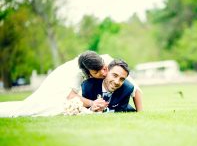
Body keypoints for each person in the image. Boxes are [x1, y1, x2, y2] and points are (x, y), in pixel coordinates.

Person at [0, 51, 142, 117]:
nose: (104, 73)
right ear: (88, 73)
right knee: (39, 106)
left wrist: (141, 113)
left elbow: (135, 88)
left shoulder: (106, 61)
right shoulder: (76, 74)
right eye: (98, 73)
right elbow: (70, 95)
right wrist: (93, 104)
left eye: (104, 69)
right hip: (59, 83)